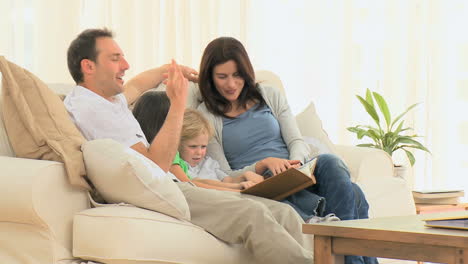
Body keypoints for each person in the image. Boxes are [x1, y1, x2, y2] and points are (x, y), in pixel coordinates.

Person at [64, 28, 313, 264]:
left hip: (170, 185)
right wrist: (178, 104)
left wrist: (169, 70)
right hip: (163, 192)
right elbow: (156, 166)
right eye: (116, 59)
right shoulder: (92, 110)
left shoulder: (104, 100)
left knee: (284, 213)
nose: (126, 65)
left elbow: (137, 85)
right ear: (88, 66)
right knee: (254, 215)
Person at [196, 36, 378, 264]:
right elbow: (223, 173)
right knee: (354, 194)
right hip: (262, 181)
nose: (231, 84)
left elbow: (296, 141)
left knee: (331, 162)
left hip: (298, 171)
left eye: (237, 75)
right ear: (210, 78)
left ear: (246, 72)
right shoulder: (207, 115)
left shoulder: (269, 95)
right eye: (222, 77)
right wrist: (263, 164)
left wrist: (296, 164)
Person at [132, 90, 261, 191]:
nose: (178, 121)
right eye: (175, 116)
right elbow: (190, 184)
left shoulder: (165, 152)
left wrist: (240, 183)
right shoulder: (164, 155)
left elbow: (202, 181)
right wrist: (237, 190)